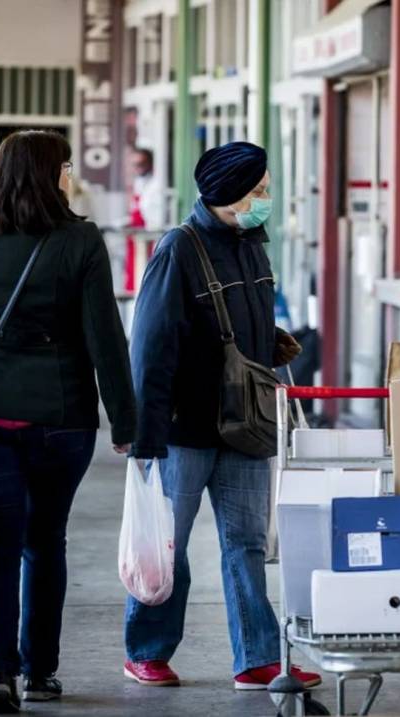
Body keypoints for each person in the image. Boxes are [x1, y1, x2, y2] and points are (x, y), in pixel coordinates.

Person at [0, 131, 137, 714]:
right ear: (51, 173)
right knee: (44, 541)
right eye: (66, 166)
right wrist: (125, 420)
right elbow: (105, 337)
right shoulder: (79, 240)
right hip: (62, 417)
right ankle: (39, 673)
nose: (70, 175)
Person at [124, 141, 316, 691]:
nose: (266, 199)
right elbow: (151, 348)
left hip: (246, 424)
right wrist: (146, 436)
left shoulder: (251, 244)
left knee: (247, 543)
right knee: (167, 546)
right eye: (259, 190)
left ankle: (257, 657)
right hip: (185, 429)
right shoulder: (177, 250)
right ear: (230, 192)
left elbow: (234, 322)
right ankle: (148, 649)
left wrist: (269, 341)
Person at [125, 147, 167, 292]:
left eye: (141, 164)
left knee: (147, 279)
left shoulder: (156, 186)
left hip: (149, 238)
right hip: (135, 238)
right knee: (134, 279)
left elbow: (154, 217)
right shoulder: (138, 183)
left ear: (150, 163)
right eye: (134, 164)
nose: (137, 168)